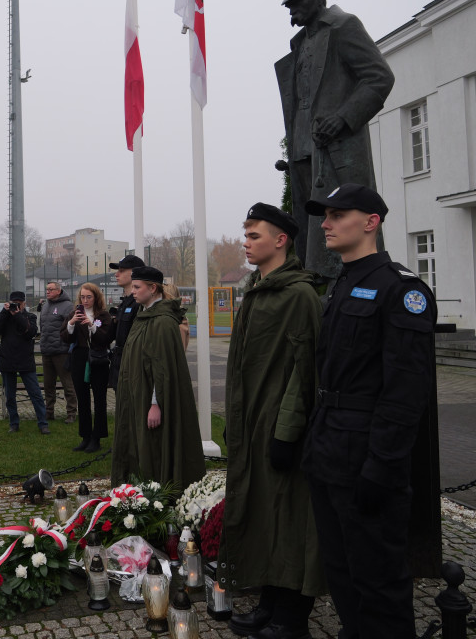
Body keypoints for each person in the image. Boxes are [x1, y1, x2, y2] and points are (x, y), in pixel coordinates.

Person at [301, 184, 436, 639]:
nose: (326, 223)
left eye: (338, 215)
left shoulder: (401, 290)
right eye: (326, 216)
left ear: (371, 222)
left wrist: (383, 465)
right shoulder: (344, 283)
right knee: (341, 573)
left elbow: (405, 393)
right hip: (329, 449)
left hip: (366, 457)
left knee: (379, 580)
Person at [222, 203, 324, 639]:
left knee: (290, 519)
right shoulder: (257, 290)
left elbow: (306, 371)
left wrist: (287, 432)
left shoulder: (299, 295)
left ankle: (293, 616)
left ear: (281, 240)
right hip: (252, 425)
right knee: (263, 515)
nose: (246, 243)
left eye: (254, 235)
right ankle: (269, 603)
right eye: (245, 235)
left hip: (282, 430)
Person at [274, 0, 395, 281]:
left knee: (345, 219)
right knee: (310, 229)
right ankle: (315, 288)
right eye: (288, 7)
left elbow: (379, 77)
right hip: (303, 147)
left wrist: (342, 118)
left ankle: (359, 281)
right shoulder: (300, 43)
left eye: (297, 4)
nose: (292, 13)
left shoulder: (344, 27)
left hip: (337, 146)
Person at [111, 266, 205, 489]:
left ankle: (155, 494)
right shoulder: (144, 316)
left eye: (137, 287)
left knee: (153, 447)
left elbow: (162, 369)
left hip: (151, 400)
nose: (133, 292)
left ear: (153, 288)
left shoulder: (163, 321)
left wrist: (156, 404)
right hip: (137, 395)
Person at [63, 283, 114, 453]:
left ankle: (97, 437)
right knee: (82, 399)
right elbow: (64, 337)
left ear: (96, 298)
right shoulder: (74, 314)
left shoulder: (104, 315)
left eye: (89, 297)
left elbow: (105, 338)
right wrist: (71, 323)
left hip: (98, 359)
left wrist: (92, 325)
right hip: (79, 358)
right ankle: (85, 436)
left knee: (99, 399)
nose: (85, 300)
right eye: (82, 297)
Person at [0, 291, 49, 435]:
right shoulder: (5, 317)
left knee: (35, 393)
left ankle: (43, 423)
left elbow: (31, 332)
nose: (16, 306)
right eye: (14, 303)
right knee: (10, 395)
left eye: (19, 303)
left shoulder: (29, 316)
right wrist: (4, 313)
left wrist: (17, 315)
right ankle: (14, 423)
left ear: (24, 304)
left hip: (25, 360)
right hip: (7, 359)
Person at [39, 281, 78, 424]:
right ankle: (49, 412)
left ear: (58, 291)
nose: (47, 292)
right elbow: (42, 326)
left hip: (61, 351)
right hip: (46, 350)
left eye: (50, 289)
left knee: (68, 384)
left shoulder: (68, 306)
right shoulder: (45, 306)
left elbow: (71, 328)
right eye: (46, 289)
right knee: (48, 385)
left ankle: (71, 413)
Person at [107, 254, 145, 390]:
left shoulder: (139, 304)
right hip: (119, 363)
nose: (117, 274)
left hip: (132, 365)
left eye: (121, 271)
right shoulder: (124, 303)